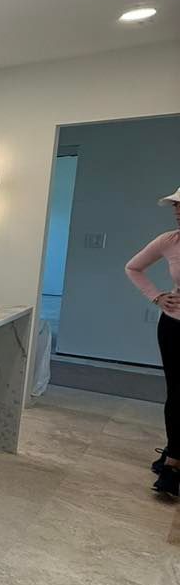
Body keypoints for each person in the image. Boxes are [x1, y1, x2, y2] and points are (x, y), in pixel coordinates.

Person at [125, 187, 180, 497]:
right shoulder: (169, 241)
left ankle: (173, 455)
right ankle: (173, 459)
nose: (177, 212)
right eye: (175, 207)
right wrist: (156, 296)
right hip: (173, 326)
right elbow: (133, 267)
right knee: (176, 393)